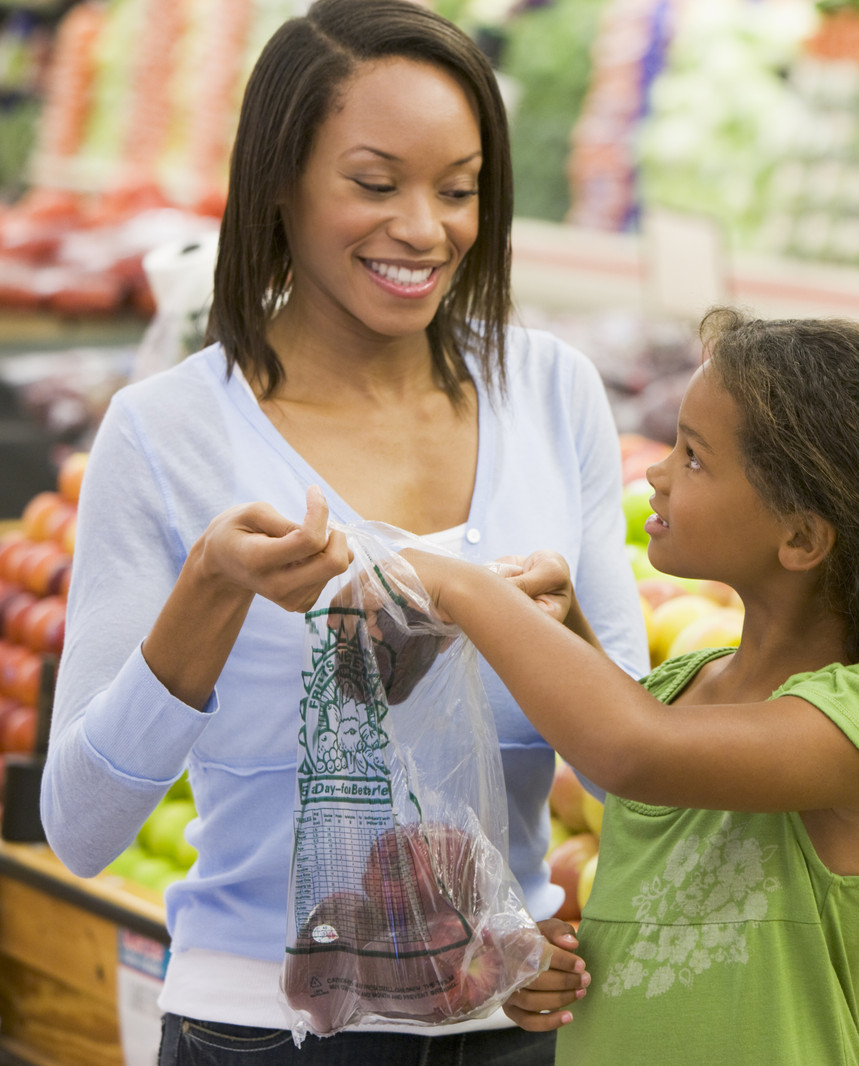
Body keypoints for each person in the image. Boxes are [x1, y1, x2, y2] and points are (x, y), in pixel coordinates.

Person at [40, 2, 648, 1063]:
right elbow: (80, 828)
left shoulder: (552, 392)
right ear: (278, 181)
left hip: (505, 1027)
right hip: (261, 1031)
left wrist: (560, 635)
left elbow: (631, 780)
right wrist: (210, 591)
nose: (425, 227)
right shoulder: (170, 430)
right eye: (375, 184)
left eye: (459, 190)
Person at [401, 309, 859, 1065]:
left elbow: (632, 752)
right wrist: (546, 967)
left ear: (801, 538)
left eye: (695, 458)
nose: (657, 474)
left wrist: (466, 588)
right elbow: (638, 768)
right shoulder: (685, 682)